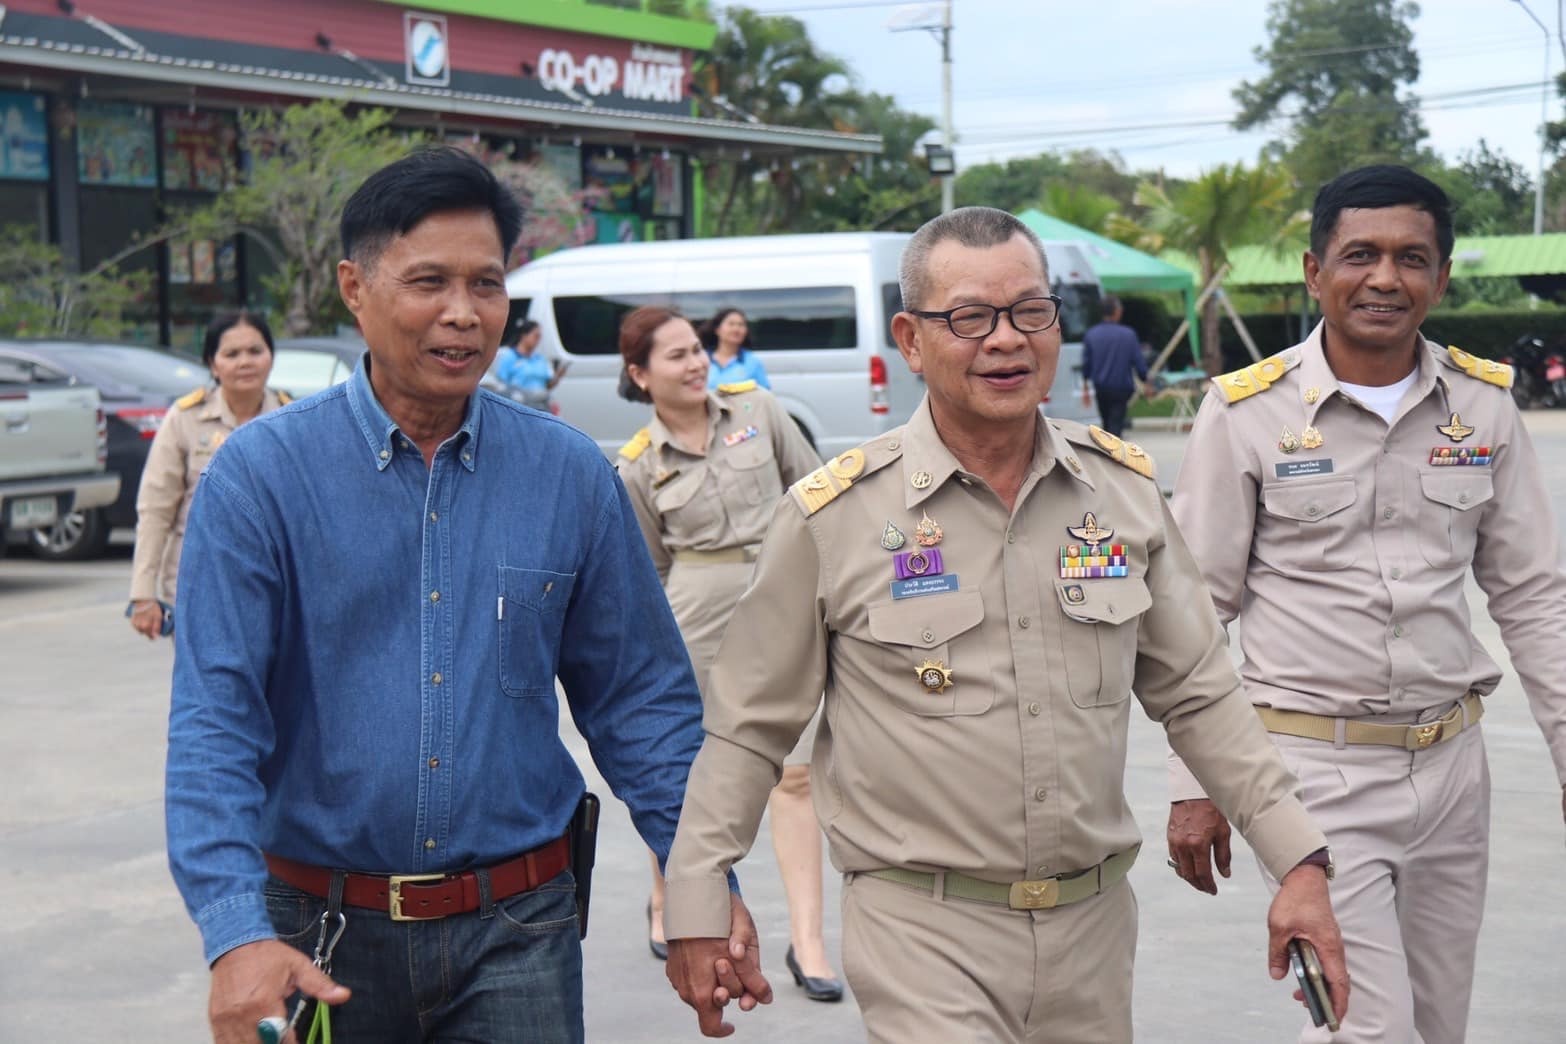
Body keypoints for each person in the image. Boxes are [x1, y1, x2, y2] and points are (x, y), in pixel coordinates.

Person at [661, 206, 1350, 1042]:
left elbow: (1201, 695)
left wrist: (1299, 861)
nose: (1006, 340)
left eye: (1031, 312)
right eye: (971, 318)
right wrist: (699, 894)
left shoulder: (1121, 493)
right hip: (921, 926)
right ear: (911, 342)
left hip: (1093, 930)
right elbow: (748, 731)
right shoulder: (832, 516)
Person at [164, 147, 713, 1044]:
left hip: (520, 931)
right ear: (354, 286)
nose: (463, 314)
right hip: (317, 935)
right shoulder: (260, 478)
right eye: (428, 281)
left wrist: (700, 889)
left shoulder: (568, 474)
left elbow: (641, 700)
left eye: (486, 284)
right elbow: (216, 720)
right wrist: (234, 935)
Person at [1165, 164, 1566, 1044]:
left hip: (1454, 772)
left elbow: (1535, 597)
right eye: (1360, 255)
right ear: (1316, 272)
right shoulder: (1246, 413)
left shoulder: (1485, 407)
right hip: (1315, 774)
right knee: (1368, 1030)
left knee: (1438, 1025)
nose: (1385, 278)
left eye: (1411, 257)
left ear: (1442, 277)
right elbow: (1195, 612)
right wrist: (1196, 784)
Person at [614, 305, 842, 1000]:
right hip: (695, 618)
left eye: (697, 349)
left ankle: (808, 943)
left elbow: (818, 496)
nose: (695, 363)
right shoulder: (637, 466)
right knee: (685, 776)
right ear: (640, 374)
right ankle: (670, 900)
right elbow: (648, 568)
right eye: (677, 355)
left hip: (780, 599)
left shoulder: (761, 410)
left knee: (795, 777)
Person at [126, 311, 287, 640]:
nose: (245, 362)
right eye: (231, 354)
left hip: (275, 587)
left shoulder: (292, 419)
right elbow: (155, 509)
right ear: (213, 364)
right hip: (198, 586)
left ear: (271, 358)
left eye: (255, 351)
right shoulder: (185, 419)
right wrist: (143, 594)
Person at [1080, 294, 1148, 436]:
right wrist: (1145, 380)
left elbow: (1087, 363)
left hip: (1101, 388)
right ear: (1117, 312)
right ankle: (1114, 453)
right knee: (1116, 423)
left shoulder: (1091, 334)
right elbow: (1138, 362)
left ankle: (1105, 451)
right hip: (1122, 388)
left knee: (1106, 422)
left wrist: (1085, 385)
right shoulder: (1128, 334)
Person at [495, 318, 566, 409]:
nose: (538, 340)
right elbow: (501, 384)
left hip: (540, 404)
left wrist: (558, 376)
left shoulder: (540, 359)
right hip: (518, 404)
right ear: (524, 335)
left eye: (540, 337)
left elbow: (547, 385)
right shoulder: (510, 356)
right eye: (536, 336)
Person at [700, 307, 771, 389]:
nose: (736, 329)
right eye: (731, 324)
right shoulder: (702, 359)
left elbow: (764, 394)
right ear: (717, 330)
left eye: (741, 325)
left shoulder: (752, 361)